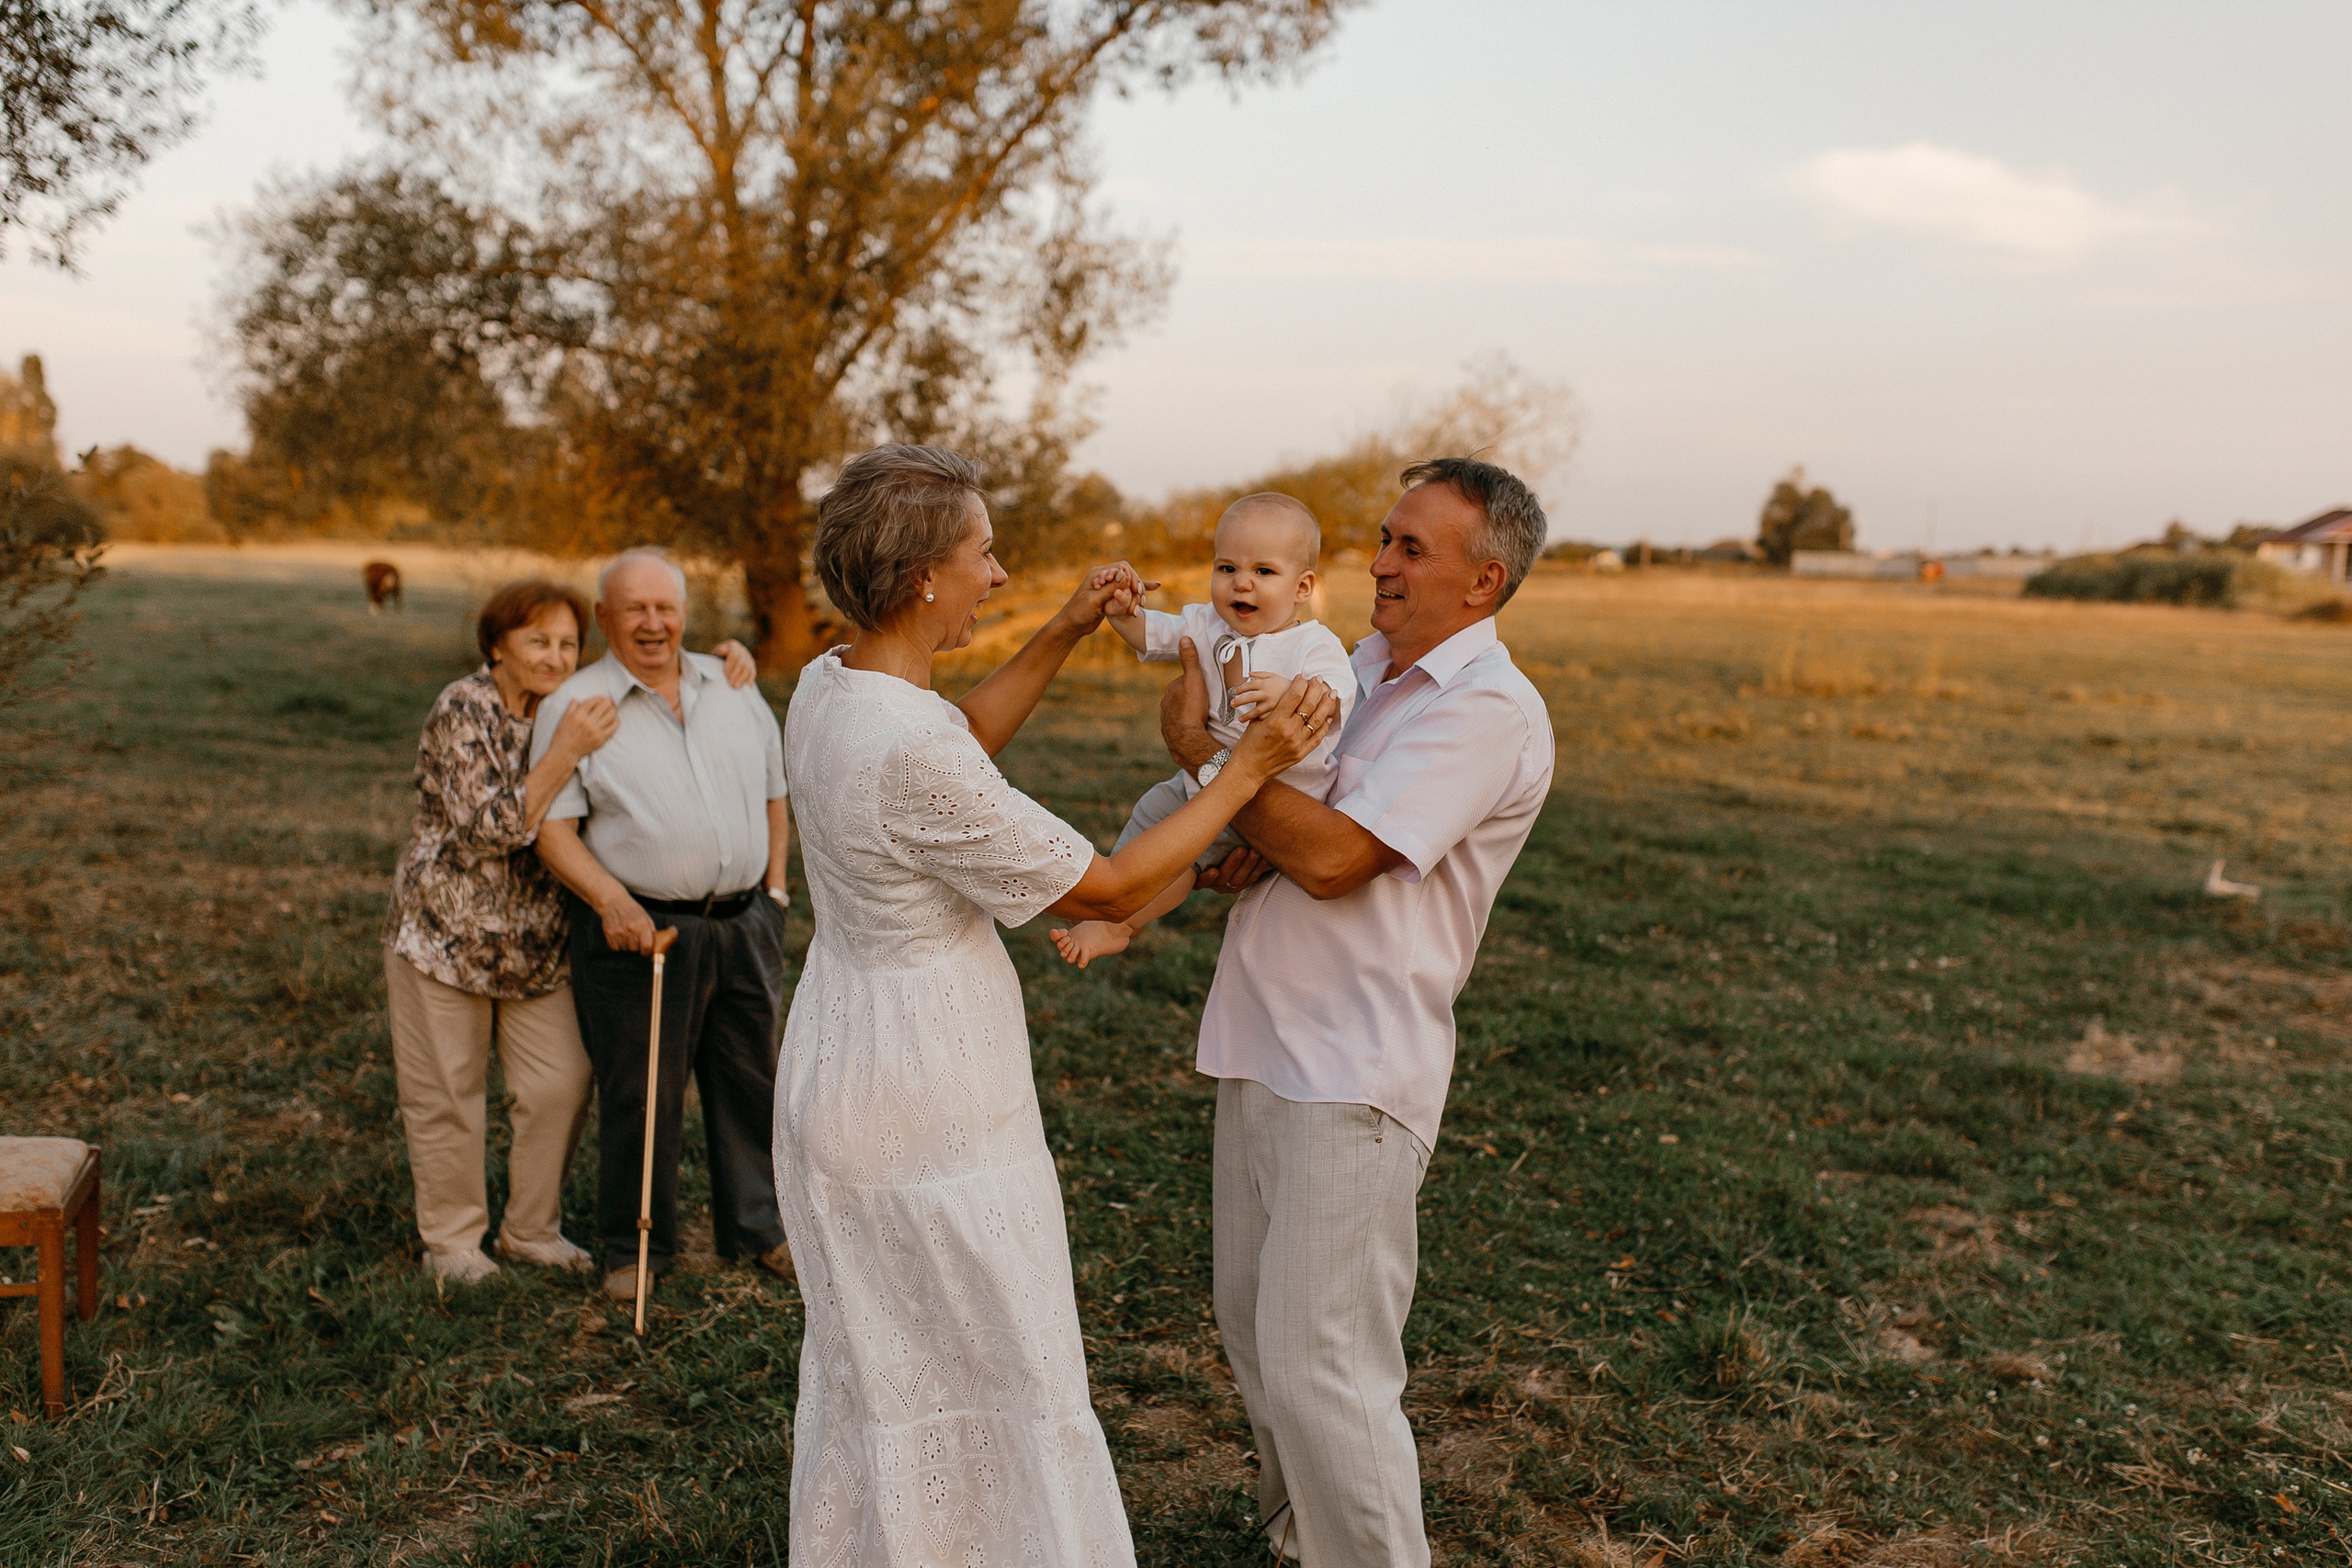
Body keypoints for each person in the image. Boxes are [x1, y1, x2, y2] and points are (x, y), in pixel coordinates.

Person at [775, 444, 1340, 1566]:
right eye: (983, 554)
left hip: (840, 1052)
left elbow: (957, 739)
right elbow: (1110, 885)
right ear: (923, 577)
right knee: (1003, 1365)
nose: (997, 573)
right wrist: (1243, 768)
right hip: (926, 1093)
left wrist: (1067, 630)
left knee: (889, 1370)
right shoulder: (903, 752)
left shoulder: (835, 684)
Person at [1159, 457, 1557, 1567]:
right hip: (1260, 1037)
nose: (1378, 563)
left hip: (1358, 1067)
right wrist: (1251, 839)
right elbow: (1296, 827)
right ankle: (1300, 1542)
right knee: (1254, 1336)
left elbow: (1336, 858)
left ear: (1483, 582)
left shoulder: (1488, 711)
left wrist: (1207, 759)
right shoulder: (1351, 668)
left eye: (1410, 549)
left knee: (1320, 1358)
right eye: (1383, 539)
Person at [382, 577, 759, 1285]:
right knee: (448, 1092)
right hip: (446, 935)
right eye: (535, 641)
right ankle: (454, 1242)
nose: (555, 656)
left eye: (564, 642)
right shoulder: (465, 706)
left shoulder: (568, 704)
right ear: (497, 646)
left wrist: (728, 658)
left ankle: (532, 1229)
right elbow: (489, 829)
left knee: (560, 1080)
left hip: (537, 940)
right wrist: (565, 751)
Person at [529, 547, 795, 1304]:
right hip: (639, 933)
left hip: (745, 923)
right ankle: (635, 1248)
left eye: (665, 607)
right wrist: (613, 901)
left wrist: (774, 891)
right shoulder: (576, 705)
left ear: (685, 613)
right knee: (641, 1093)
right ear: (604, 618)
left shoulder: (732, 684)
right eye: (634, 609)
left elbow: (776, 792)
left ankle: (760, 1228)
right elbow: (551, 828)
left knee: (751, 1082)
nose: (653, 623)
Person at [1048, 493, 1356, 968]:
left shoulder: (1313, 644)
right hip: (1202, 783)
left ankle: (1119, 924)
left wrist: (1289, 692)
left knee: (1186, 860)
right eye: (1227, 568)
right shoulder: (1206, 624)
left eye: (1264, 572)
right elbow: (1149, 634)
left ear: (1302, 587)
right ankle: (1113, 896)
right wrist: (1121, 609)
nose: (1242, 584)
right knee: (1154, 813)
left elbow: (1335, 695)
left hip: (1278, 795)